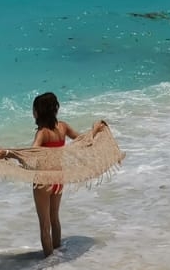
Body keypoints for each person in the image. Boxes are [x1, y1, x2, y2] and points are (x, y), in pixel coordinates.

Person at [9, 91, 109, 258]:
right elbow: (84, 141)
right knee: (55, 219)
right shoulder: (63, 127)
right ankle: (58, 255)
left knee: (44, 225)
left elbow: (32, 152)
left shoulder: (42, 132)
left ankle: (48, 262)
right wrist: (95, 129)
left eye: (34, 109)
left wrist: (8, 153)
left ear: (38, 112)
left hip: (43, 180)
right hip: (58, 179)